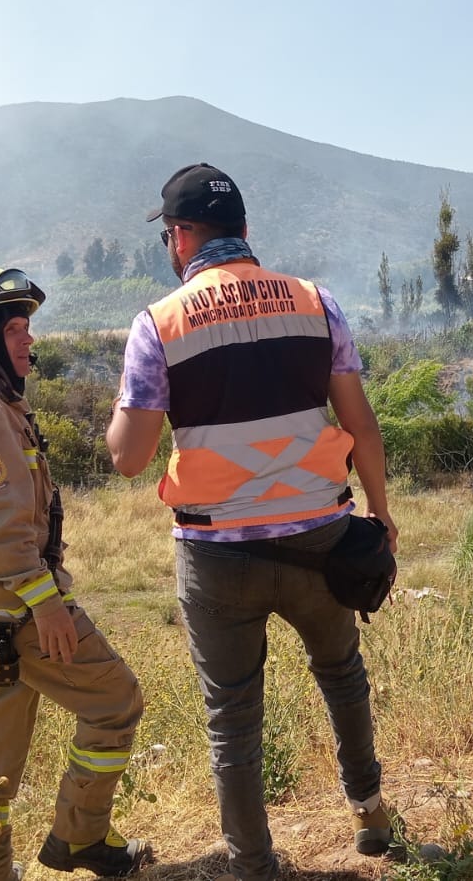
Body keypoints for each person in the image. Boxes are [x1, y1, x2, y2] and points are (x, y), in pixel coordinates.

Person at [106, 164, 401, 881]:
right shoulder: (314, 302)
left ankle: (252, 864)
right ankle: (369, 817)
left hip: (215, 554)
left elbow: (129, 457)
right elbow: (359, 423)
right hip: (320, 536)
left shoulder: (159, 323)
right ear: (244, 232)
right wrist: (380, 511)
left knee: (232, 718)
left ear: (179, 238)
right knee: (342, 674)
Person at [0, 265, 153, 880]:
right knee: (115, 701)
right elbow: (2, 534)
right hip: (20, 610)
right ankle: (78, 840)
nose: (30, 341)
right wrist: (48, 606)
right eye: (18, 329)